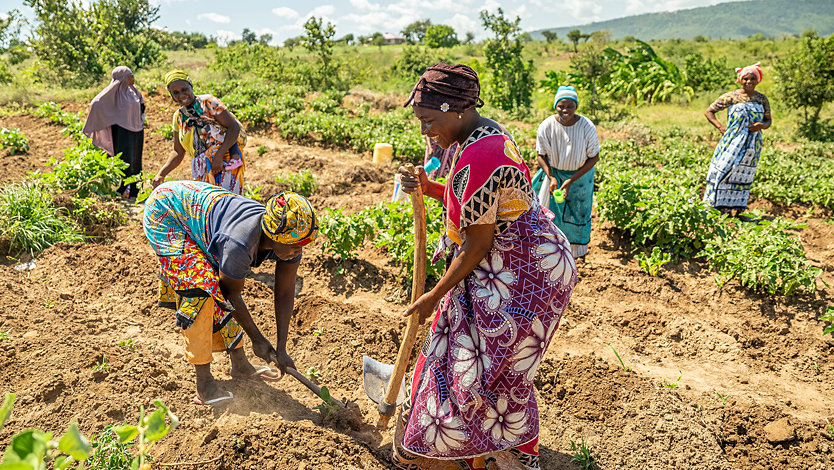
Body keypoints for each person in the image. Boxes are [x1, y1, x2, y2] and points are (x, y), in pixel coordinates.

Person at [393, 62, 578, 470]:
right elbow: (482, 209)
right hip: (510, 261)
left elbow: (477, 243)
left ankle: (505, 453)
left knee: (489, 367)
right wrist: (430, 187)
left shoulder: (481, 152)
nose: (425, 131)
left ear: (453, 108)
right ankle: (478, 449)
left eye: (428, 120)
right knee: (478, 362)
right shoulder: (477, 133)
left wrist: (433, 295)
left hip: (525, 272)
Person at [143, 180, 318, 405]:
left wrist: (281, 348)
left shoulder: (288, 240)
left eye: (302, 246)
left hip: (201, 212)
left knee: (221, 281)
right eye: (295, 245)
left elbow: (285, 293)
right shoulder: (239, 243)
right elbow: (229, 294)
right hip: (166, 212)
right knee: (202, 291)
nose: (298, 252)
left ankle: (240, 365)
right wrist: (258, 340)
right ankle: (204, 385)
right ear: (274, 235)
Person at [532, 85, 600, 260]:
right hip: (554, 175)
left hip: (581, 178)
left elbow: (594, 158)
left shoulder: (586, 127)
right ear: (555, 106)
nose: (565, 110)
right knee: (550, 215)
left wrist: (571, 180)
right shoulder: (547, 126)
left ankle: (574, 256)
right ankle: (551, 253)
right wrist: (551, 176)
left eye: (570, 106)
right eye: (561, 106)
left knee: (576, 216)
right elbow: (541, 155)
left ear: (576, 106)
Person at [152, 70, 246, 194]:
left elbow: (234, 127)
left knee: (226, 205)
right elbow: (178, 151)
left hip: (225, 162)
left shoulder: (208, 102)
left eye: (184, 89)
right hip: (202, 168)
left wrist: (219, 156)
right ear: (171, 94)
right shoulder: (178, 117)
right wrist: (161, 174)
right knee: (207, 209)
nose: (181, 95)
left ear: (191, 86)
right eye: (176, 92)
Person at [703, 62, 771, 214]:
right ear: (740, 80)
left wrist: (761, 125)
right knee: (723, 170)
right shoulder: (731, 97)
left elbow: (769, 120)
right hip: (732, 141)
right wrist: (721, 127)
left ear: (758, 80)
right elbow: (709, 112)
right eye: (745, 79)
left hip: (752, 144)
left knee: (743, 175)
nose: (749, 82)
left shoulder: (761, 99)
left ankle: (738, 212)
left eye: (752, 79)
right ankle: (718, 209)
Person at [82, 66, 145, 199]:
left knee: (136, 159)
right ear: (122, 78)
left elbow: (142, 105)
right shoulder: (113, 92)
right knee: (125, 159)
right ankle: (124, 187)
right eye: (130, 75)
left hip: (137, 131)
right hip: (122, 133)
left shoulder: (133, 91)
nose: (132, 78)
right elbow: (96, 103)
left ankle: (135, 188)